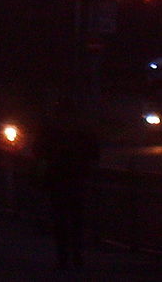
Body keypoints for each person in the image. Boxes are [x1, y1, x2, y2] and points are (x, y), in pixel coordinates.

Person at [33, 101, 100, 269]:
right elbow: (94, 155)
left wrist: (40, 177)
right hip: (76, 180)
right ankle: (76, 254)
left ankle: (64, 256)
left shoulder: (51, 133)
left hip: (59, 180)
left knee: (61, 220)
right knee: (76, 220)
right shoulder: (82, 133)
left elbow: (39, 153)